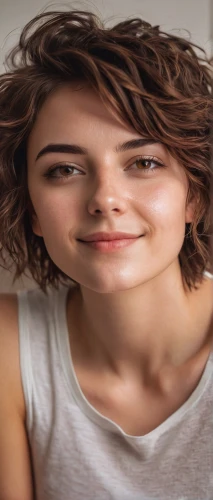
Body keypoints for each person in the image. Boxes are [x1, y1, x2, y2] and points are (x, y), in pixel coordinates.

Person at [0, 8, 213, 500]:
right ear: (31, 209)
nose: (104, 198)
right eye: (64, 170)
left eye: (144, 162)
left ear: (194, 194)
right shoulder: (10, 347)